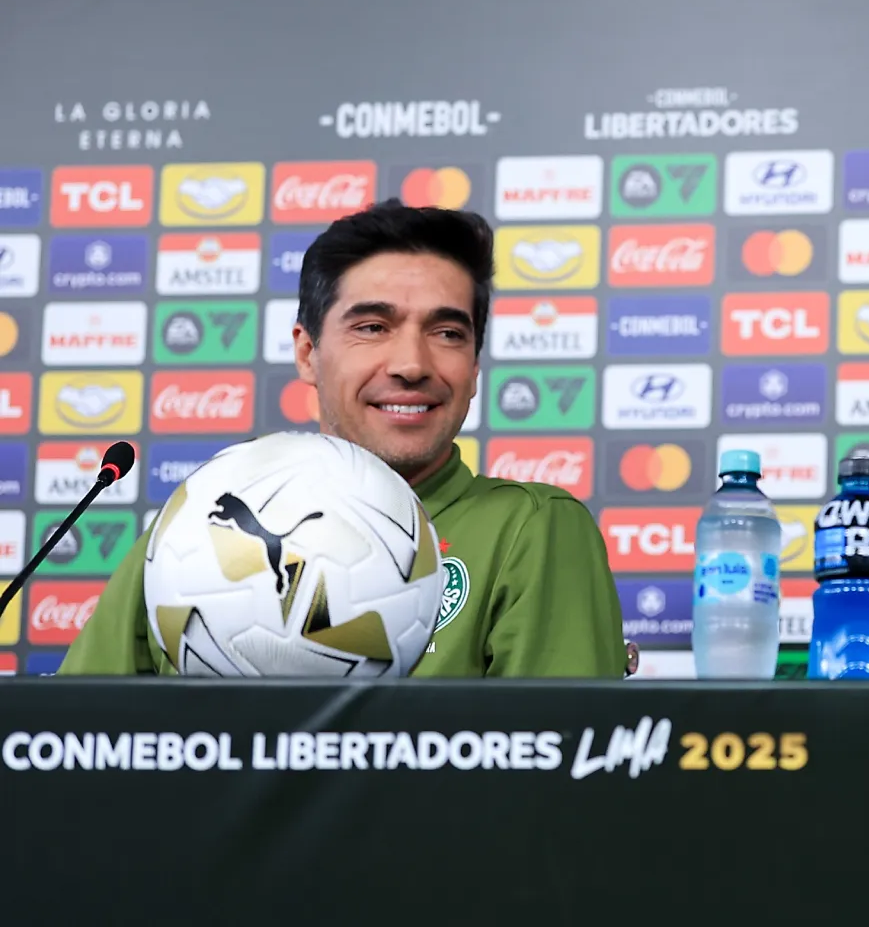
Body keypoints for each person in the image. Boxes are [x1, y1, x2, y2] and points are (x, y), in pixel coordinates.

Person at [62, 201, 628, 677]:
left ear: (475, 367)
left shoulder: (530, 528)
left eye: (448, 332)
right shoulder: (191, 525)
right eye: (372, 327)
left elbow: (556, 784)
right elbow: (72, 750)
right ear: (308, 353)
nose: (411, 364)